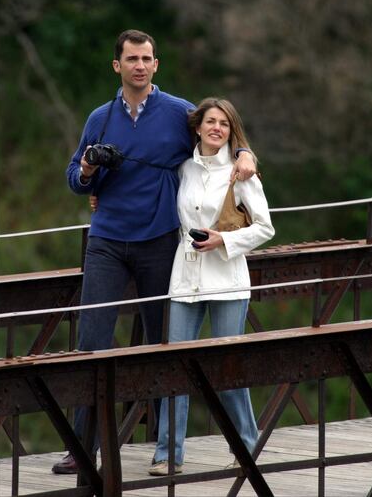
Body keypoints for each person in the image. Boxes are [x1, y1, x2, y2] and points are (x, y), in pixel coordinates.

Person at [52, 30, 257, 474]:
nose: (139, 65)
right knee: (91, 343)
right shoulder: (100, 118)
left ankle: (167, 450)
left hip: (161, 240)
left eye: (146, 58)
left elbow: (220, 131)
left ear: (156, 65)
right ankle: (81, 447)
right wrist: (87, 168)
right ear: (117, 66)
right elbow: (73, 177)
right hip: (106, 239)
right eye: (131, 59)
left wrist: (244, 152)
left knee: (162, 346)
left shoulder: (181, 113)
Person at [148, 97, 275, 476]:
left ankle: (247, 448)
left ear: (231, 130)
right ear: (199, 127)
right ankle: (168, 454)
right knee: (177, 367)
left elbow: (266, 228)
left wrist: (224, 241)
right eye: (210, 122)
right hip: (185, 277)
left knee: (228, 370)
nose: (216, 128)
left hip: (228, 281)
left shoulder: (241, 173)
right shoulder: (183, 168)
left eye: (224, 123)